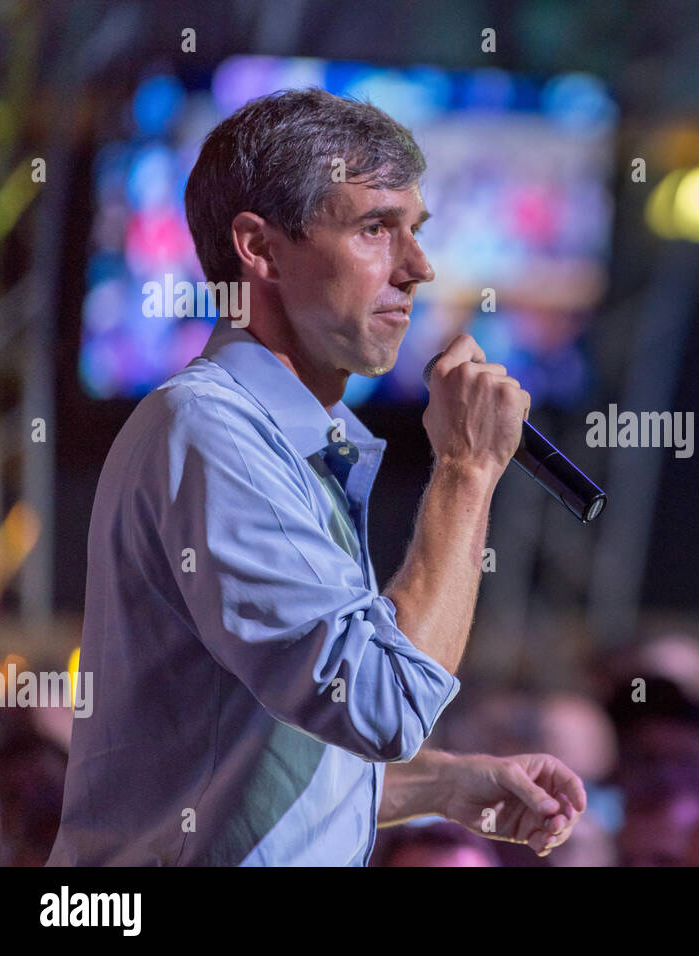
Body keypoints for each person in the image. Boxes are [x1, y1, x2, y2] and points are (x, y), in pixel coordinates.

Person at [48, 88, 584, 866]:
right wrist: (467, 470)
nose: (419, 267)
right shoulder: (212, 432)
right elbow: (384, 705)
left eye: (417, 232)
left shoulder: (273, 438)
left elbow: (232, 757)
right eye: (375, 229)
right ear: (259, 249)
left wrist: (436, 785)